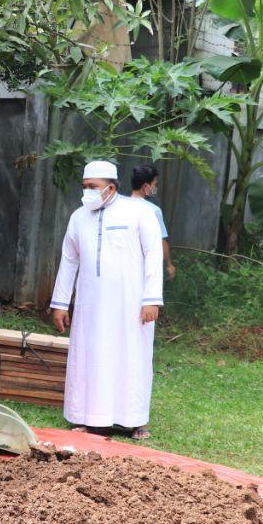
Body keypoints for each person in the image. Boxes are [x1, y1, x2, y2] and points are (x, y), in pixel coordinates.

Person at [49, 160, 163, 439]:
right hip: (91, 304)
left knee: (132, 356)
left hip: (131, 304)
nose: (87, 192)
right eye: (85, 187)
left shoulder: (139, 212)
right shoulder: (78, 217)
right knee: (91, 356)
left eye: (93, 187)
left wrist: (152, 299)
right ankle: (87, 417)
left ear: (111, 188)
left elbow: (153, 255)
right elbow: (69, 261)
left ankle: (134, 419)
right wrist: (61, 304)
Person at [129, 164, 175, 281]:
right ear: (145, 186)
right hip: (144, 267)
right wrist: (169, 264)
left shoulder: (118, 207)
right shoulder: (153, 210)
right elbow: (161, 239)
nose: (155, 187)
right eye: (154, 184)